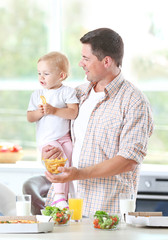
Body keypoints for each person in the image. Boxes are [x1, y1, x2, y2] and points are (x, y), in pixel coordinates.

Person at [44, 28, 154, 216]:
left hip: (105, 211)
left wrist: (79, 173)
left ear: (106, 61)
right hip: (64, 207)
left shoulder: (134, 101)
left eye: (86, 59)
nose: (80, 63)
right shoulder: (77, 94)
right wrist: (52, 153)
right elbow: (65, 139)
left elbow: (128, 160)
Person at [27, 52, 79, 209]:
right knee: (57, 161)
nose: (41, 77)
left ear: (61, 75)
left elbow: (73, 113)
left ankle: (70, 195)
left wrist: (54, 110)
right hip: (48, 139)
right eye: (39, 73)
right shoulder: (37, 95)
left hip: (64, 137)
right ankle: (59, 197)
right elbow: (30, 117)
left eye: (46, 74)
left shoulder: (67, 92)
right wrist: (41, 112)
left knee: (71, 160)